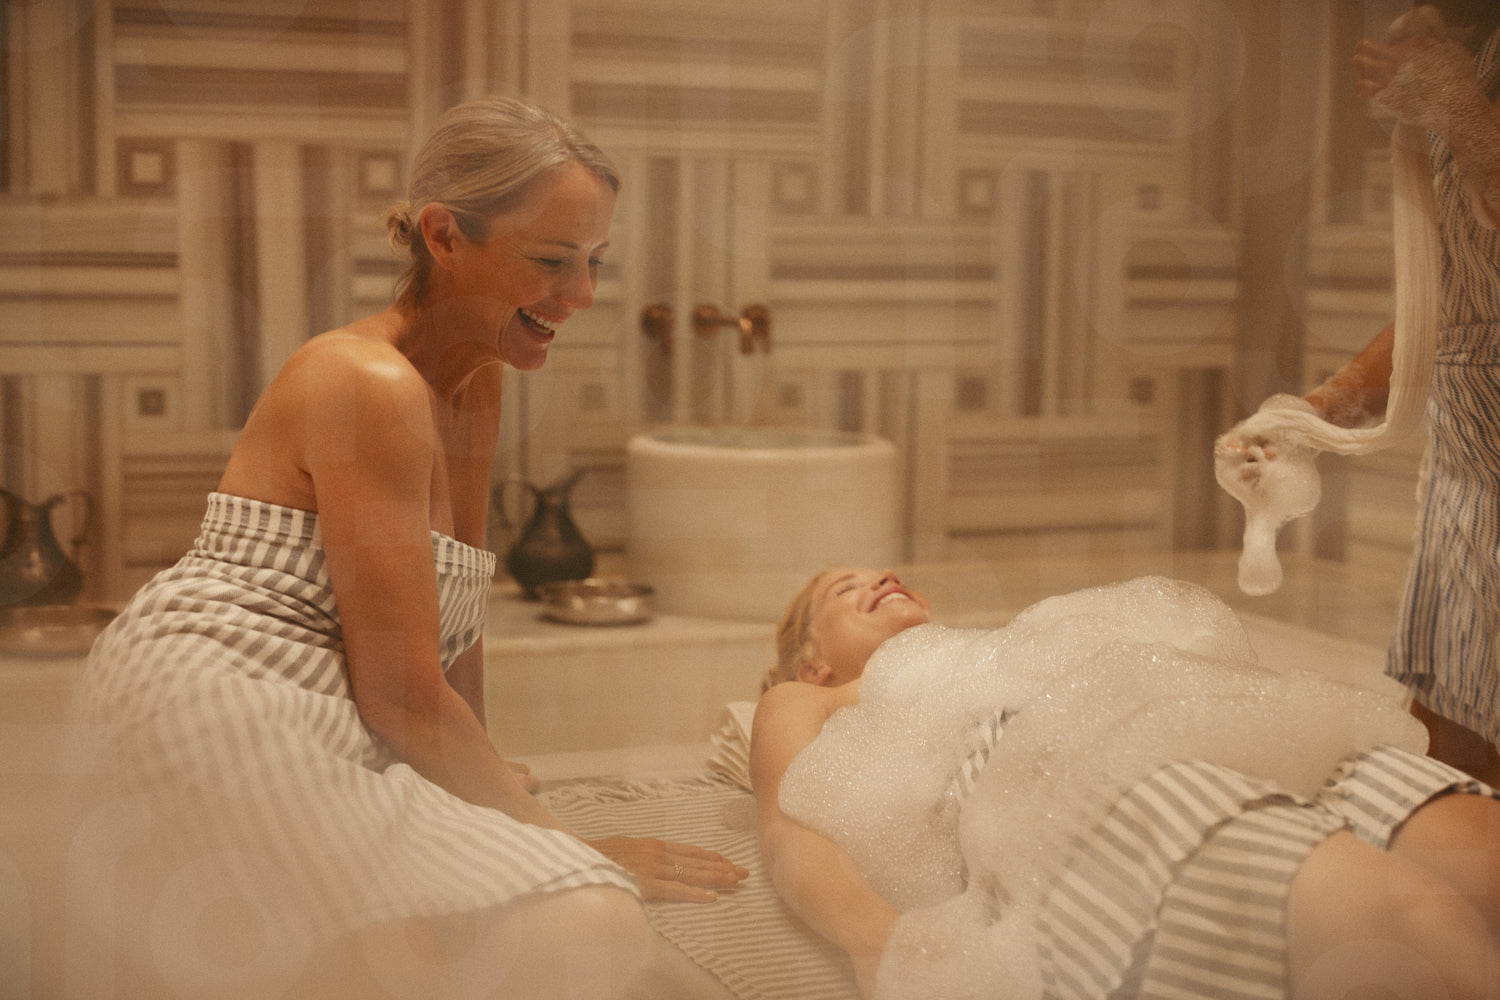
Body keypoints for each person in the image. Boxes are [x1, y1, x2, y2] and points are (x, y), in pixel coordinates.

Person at [76, 96, 745, 1000]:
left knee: (553, 922)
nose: (582, 295)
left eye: (594, 261)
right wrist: (568, 844)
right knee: (574, 920)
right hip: (222, 694)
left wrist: (502, 806)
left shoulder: (474, 384)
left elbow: (452, 628)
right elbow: (401, 698)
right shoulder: (366, 382)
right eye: (551, 260)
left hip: (338, 706)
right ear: (444, 236)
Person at [752, 567, 1500, 1000]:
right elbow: (791, 831)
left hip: (1229, 726)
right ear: (812, 662)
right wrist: (887, 945)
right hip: (1070, 779)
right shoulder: (811, 700)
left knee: (1481, 858)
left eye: (882, 571)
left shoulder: (1006, 647)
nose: (880, 578)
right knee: (1408, 919)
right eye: (845, 588)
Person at [1218, 1, 1500, 784]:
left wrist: (1464, 116)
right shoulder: (1472, 51)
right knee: (1448, 748)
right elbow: (1457, 310)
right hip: (1468, 470)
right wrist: (1315, 414)